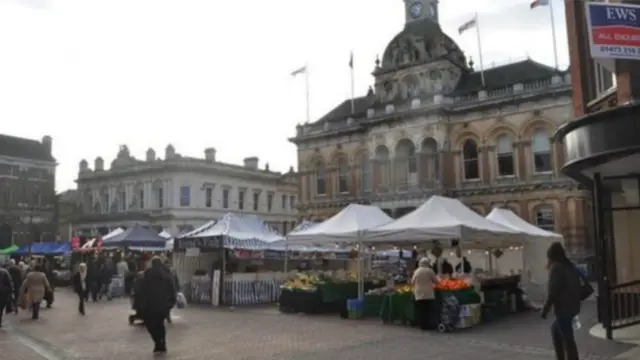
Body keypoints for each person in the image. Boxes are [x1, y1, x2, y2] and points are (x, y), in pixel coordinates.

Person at [541, 242, 582, 360]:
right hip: (574, 306)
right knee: (556, 331)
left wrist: (545, 309)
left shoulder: (556, 268)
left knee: (568, 340)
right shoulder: (570, 266)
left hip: (564, 308)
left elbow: (553, 292)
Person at [137, 257, 177, 354]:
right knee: (159, 324)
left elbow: (141, 292)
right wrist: (170, 304)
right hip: (162, 306)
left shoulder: (146, 276)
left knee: (150, 325)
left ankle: (158, 343)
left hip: (149, 306)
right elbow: (172, 292)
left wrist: (140, 305)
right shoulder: (167, 276)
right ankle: (161, 343)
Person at [412, 257, 438, 330]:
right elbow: (436, 281)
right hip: (428, 293)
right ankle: (428, 325)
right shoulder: (429, 271)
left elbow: (412, 282)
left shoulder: (416, 271)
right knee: (428, 310)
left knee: (421, 310)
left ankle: (422, 325)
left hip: (418, 292)